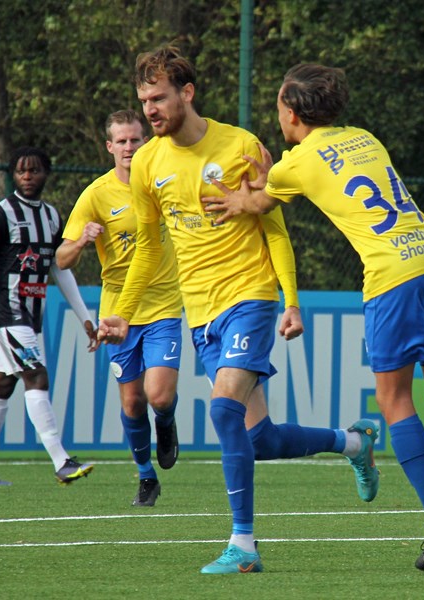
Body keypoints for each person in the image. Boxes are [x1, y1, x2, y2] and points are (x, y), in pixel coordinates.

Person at [96, 46, 380, 574]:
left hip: (249, 296)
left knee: (222, 410)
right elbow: (151, 248)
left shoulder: (241, 145)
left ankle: (243, 547)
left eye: (158, 98)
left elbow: (273, 227)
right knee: (259, 438)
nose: (150, 110)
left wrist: (291, 301)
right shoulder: (148, 164)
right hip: (200, 313)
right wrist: (125, 313)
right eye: (143, 101)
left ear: (187, 92)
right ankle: (354, 442)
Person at [206, 63, 424, 570]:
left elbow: (260, 201)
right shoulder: (364, 137)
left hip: (393, 274)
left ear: (291, 114)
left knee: (393, 397)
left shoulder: (295, 162)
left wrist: (241, 193)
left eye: (278, 107)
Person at [56, 110, 182, 507]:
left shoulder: (165, 182)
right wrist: (80, 241)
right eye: (122, 141)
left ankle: (166, 425)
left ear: (147, 141)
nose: (130, 147)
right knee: (131, 402)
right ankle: (147, 477)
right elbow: (61, 258)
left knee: (159, 396)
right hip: (118, 313)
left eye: (135, 139)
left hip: (162, 304)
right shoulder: (96, 194)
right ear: (110, 147)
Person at [0, 146, 98, 486]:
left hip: (30, 316)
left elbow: (59, 270)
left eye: (34, 170)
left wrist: (84, 317)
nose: (27, 176)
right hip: (7, 313)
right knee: (36, 376)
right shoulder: (0, 214)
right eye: (21, 170)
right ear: (12, 174)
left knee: (2, 385)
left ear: (45, 173)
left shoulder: (51, 215)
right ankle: (61, 461)